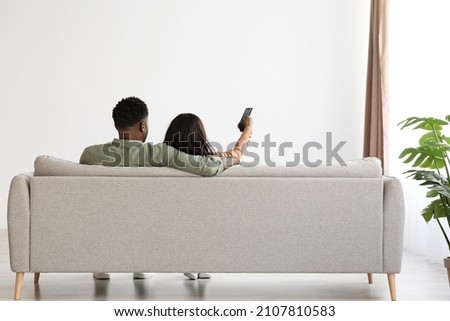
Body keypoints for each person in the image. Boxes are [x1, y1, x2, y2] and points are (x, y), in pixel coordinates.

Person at [80, 97, 230, 280]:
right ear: (143, 126)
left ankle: (102, 263)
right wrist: (230, 156)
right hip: (146, 229)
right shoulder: (159, 153)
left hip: (104, 229)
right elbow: (208, 166)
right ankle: (142, 261)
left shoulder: (90, 155)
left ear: (116, 125)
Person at [163, 113, 253, 280]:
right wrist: (247, 128)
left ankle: (191, 260)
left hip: (171, 218)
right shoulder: (210, 160)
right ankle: (199, 260)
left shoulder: (162, 159)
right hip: (203, 218)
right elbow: (236, 155)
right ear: (201, 136)